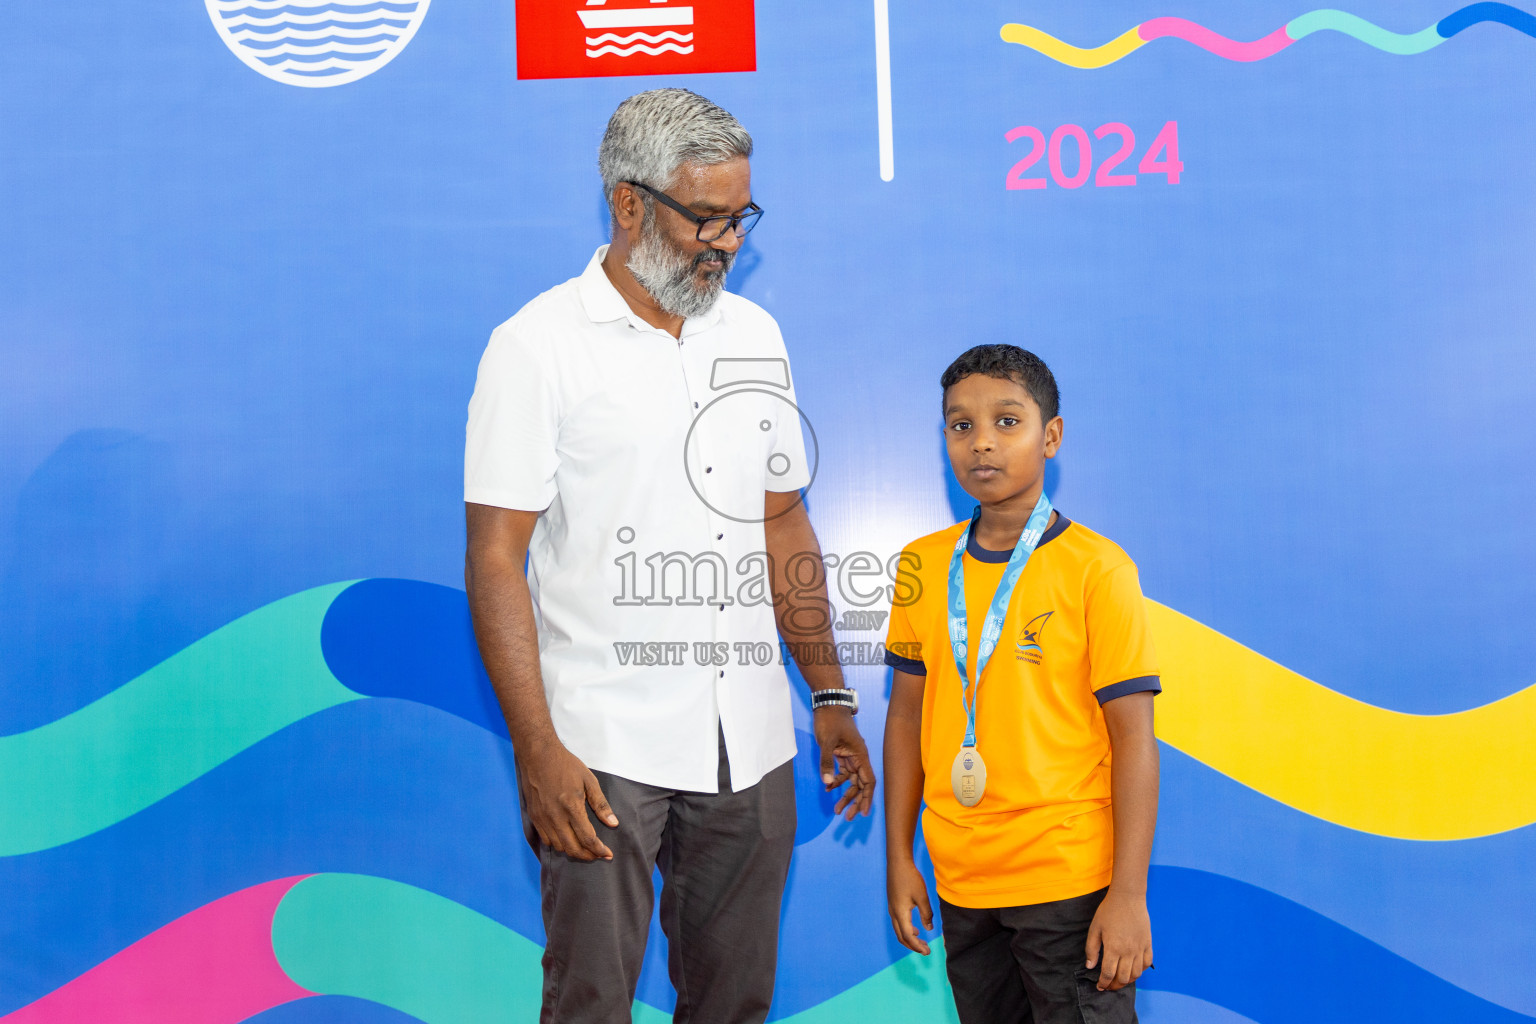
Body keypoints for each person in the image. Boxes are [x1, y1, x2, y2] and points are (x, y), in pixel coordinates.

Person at [463, 89, 875, 1024]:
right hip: (601, 752)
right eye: (707, 218)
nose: (728, 242)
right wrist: (538, 750)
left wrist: (832, 694)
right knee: (592, 1006)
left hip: (752, 745)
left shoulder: (756, 336)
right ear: (628, 203)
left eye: (742, 218)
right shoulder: (535, 348)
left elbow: (784, 527)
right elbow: (496, 560)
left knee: (736, 1005)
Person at [882, 344, 1160, 1024]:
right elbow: (905, 720)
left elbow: (1135, 742)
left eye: (1007, 421)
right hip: (963, 881)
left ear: (1051, 437)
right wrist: (898, 857)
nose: (981, 443)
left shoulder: (1099, 569)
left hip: (1068, 880)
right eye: (960, 425)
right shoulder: (920, 566)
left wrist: (1127, 894)